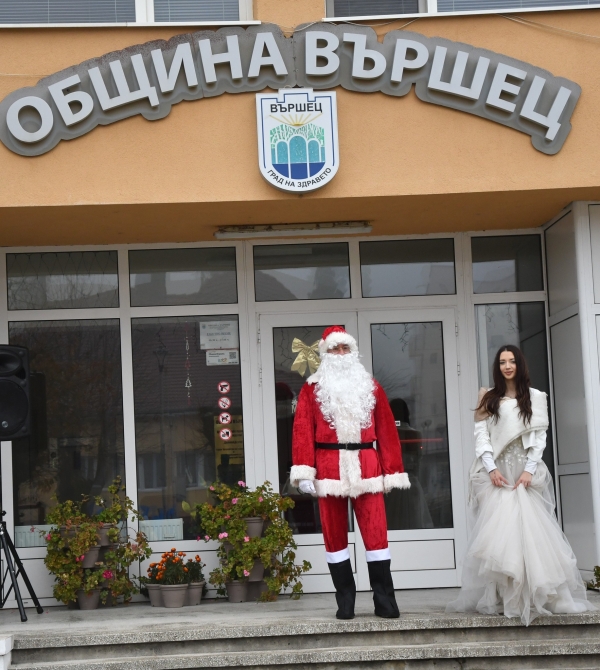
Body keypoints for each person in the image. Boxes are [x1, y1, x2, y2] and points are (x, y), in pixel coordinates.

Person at [447, 344, 595, 625]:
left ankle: (543, 596)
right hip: (498, 474)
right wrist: (491, 468)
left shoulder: (536, 398)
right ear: (497, 366)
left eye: (512, 361)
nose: (507, 366)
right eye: (502, 362)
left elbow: (539, 439)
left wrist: (528, 471)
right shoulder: (488, 397)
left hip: (524, 473)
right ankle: (506, 598)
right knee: (501, 537)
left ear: (519, 364)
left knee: (533, 533)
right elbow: (481, 436)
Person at [290, 325, 410, 620]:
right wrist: (304, 472)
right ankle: (345, 602)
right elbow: (302, 430)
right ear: (325, 353)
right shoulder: (311, 389)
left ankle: (385, 601)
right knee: (334, 538)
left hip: (367, 466)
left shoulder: (371, 386)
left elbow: (387, 430)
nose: (341, 354)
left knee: (376, 535)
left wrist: (392, 470)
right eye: (335, 348)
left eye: (345, 348)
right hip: (328, 467)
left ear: (353, 352)